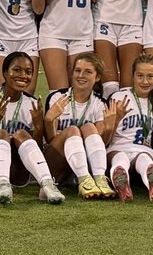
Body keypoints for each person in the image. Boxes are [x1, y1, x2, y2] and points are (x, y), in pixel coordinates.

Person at [0, 50, 64, 205]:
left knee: (22, 134)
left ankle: (47, 185)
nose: (23, 75)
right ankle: (2, 185)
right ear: (5, 73)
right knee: (1, 134)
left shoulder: (32, 104)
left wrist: (38, 128)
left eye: (28, 72)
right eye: (17, 70)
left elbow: (35, 152)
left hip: (17, 174)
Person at [43, 51, 112, 199]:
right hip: (57, 163)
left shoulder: (100, 103)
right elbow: (51, 140)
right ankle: (85, 180)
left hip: (85, 162)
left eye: (88, 72)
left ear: (97, 77)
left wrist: (111, 126)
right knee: (73, 130)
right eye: (77, 70)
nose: (81, 76)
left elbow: (100, 143)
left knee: (88, 128)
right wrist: (49, 120)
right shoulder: (57, 97)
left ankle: (99, 179)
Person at [106, 52, 153, 201]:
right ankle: (121, 181)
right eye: (140, 76)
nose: (145, 81)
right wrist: (116, 119)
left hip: (143, 148)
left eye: (150, 76)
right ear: (132, 76)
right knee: (120, 159)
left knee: (145, 159)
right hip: (117, 147)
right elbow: (105, 137)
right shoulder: (118, 97)